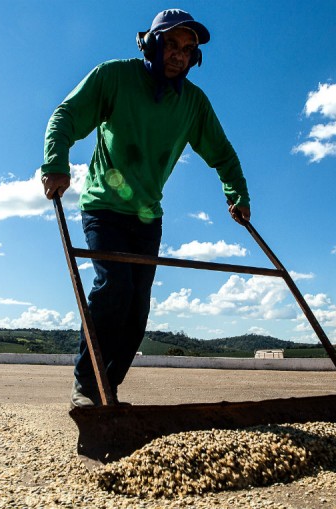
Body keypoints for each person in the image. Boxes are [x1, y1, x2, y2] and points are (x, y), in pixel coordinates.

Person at [42, 8, 252, 407]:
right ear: (152, 43)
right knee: (114, 288)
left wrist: (237, 196)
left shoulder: (193, 103)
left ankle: (109, 390)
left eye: (188, 49)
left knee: (138, 309)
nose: (179, 55)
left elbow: (223, 154)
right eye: (171, 44)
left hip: (147, 218)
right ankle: (86, 387)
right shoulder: (114, 77)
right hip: (104, 207)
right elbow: (65, 115)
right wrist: (55, 163)